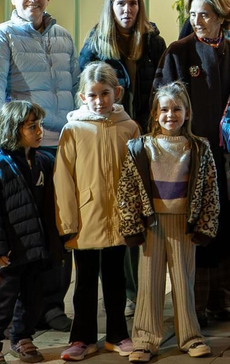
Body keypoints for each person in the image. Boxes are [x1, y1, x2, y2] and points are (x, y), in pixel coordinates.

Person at [0, 0, 76, 332]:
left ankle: (52, 306)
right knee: (21, 232)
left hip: (60, 148)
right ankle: (16, 312)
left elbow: (75, 85)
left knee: (59, 229)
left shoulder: (63, 37)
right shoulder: (1, 36)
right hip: (22, 150)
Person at [159, 0, 230, 326]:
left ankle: (224, 300)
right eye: (193, 14)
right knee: (198, 225)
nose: (198, 21)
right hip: (193, 154)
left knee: (228, 224)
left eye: (205, 15)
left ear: (220, 17)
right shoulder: (179, 52)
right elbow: (165, 100)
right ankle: (194, 305)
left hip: (228, 156)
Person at [116, 82, 221, 362]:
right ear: (155, 113)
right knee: (149, 284)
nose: (170, 115)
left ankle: (190, 336)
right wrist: (131, 227)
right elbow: (127, 189)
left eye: (177, 109)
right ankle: (144, 340)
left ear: (187, 113)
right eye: (164, 109)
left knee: (184, 283)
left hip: (184, 224)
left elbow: (210, 189)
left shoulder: (198, 147)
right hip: (151, 225)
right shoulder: (141, 147)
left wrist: (206, 226)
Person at [55, 63, 140, 360]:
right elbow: (63, 178)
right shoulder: (73, 130)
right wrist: (67, 222)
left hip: (119, 218)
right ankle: (82, 338)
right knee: (85, 281)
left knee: (116, 279)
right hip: (85, 218)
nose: (99, 100)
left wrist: (136, 214)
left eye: (105, 93)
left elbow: (137, 174)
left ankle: (118, 335)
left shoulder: (129, 127)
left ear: (117, 93)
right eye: (92, 95)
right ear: (82, 97)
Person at [0, 101, 63, 364]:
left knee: (32, 298)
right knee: (3, 300)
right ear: (14, 129)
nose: (39, 131)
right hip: (10, 250)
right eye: (32, 126)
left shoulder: (43, 161)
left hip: (35, 248)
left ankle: (22, 338)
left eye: (39, 125)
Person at [78, 0, 167, 132]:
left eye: (133, 4)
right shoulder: (95, 44)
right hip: (108, 125)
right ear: (111, 7)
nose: (127, 10)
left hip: (147, 125)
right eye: (121, 4)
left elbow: (162, 87)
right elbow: (84, 87)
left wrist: (144, 121)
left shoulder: (154, 42)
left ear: (139, 7)